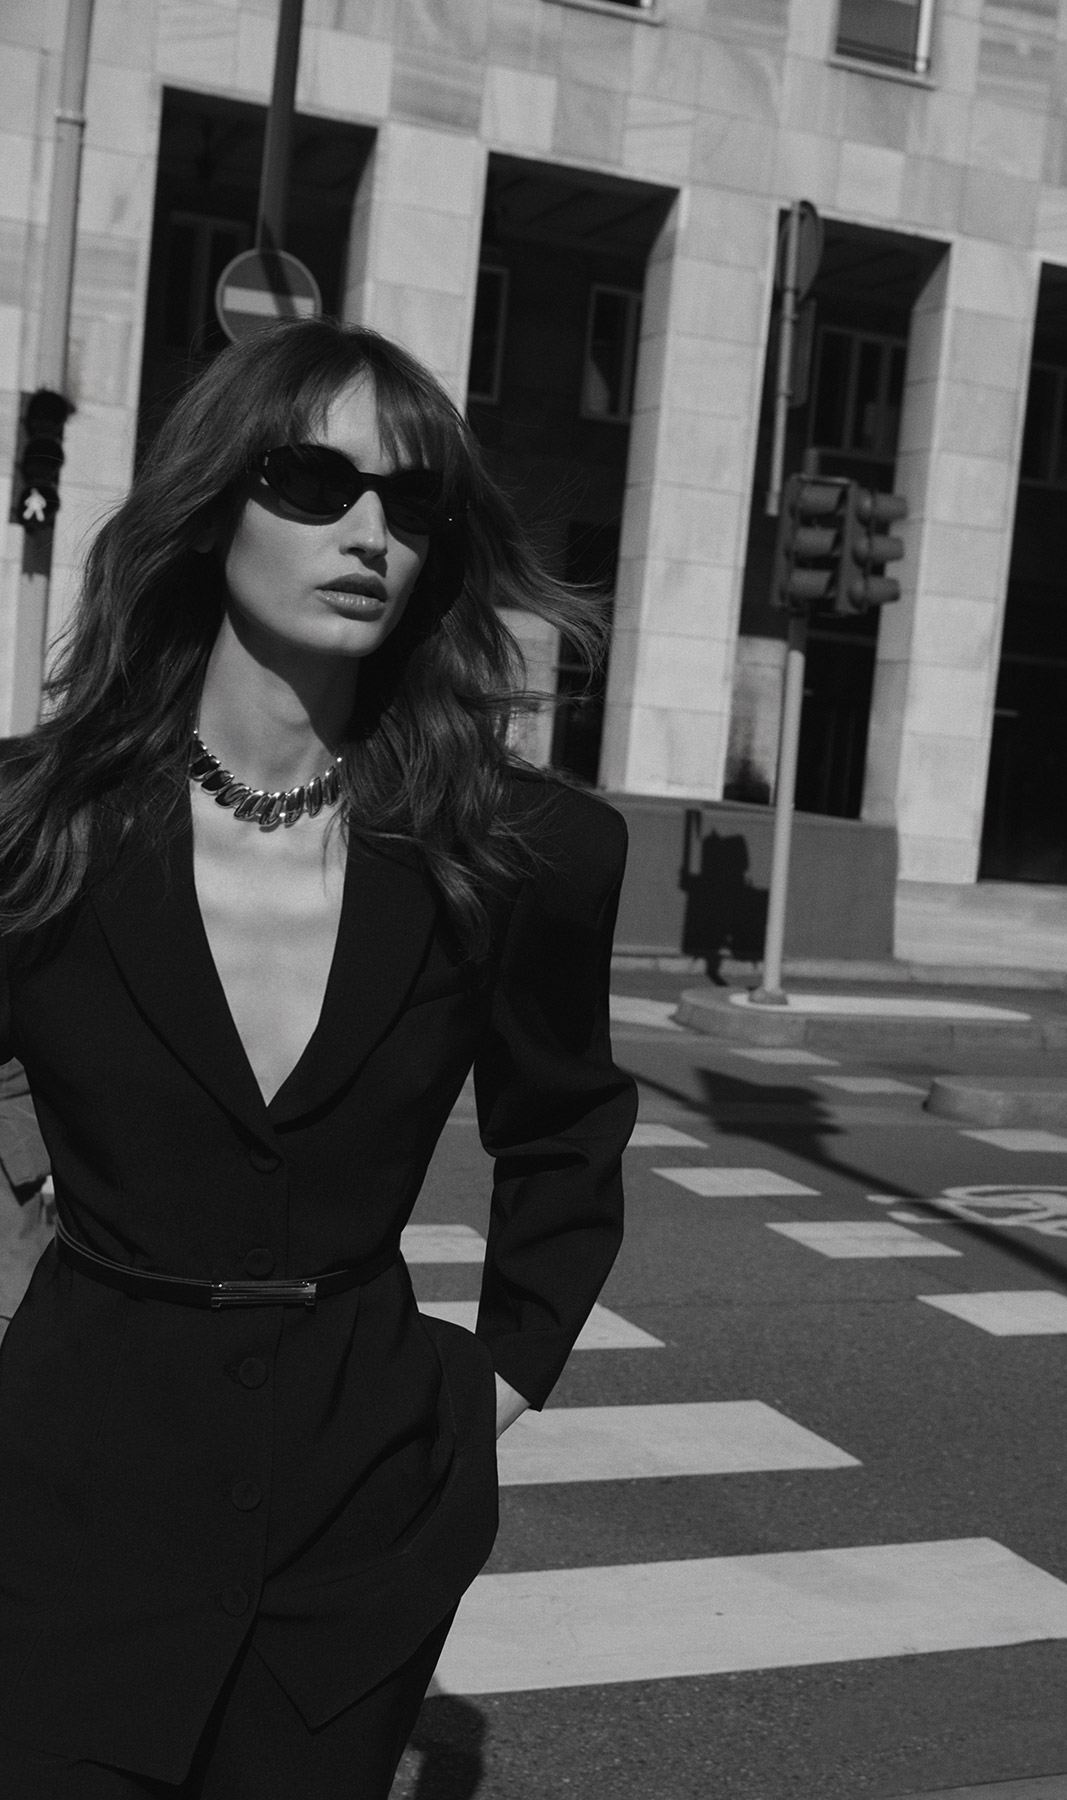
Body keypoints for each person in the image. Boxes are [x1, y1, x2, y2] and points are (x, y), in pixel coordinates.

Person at [0, 317, 637, 1798]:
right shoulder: (38, 826)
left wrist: (490, 1397)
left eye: (411, 505)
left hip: (363, 1504)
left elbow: (567, 1138)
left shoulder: (523, 852)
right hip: (68, 1490)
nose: (368, 533)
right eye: (312, 481)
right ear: (213, 498)